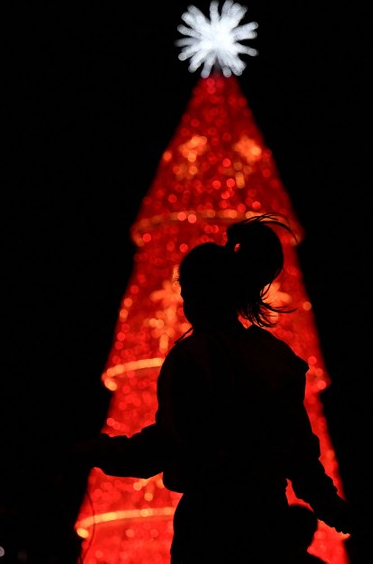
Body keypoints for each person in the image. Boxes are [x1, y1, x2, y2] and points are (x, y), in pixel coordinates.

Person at [71, 212, 353, 563]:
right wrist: (330, 505)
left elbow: (168, 443)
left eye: (187, 293)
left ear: (203, 295)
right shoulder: (272, 357)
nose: (185, 304)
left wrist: (97, 451)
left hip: (210, 525)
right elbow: (298, 451)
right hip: (266, 522)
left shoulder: (194, 358)